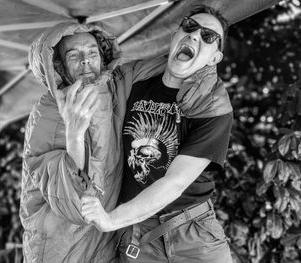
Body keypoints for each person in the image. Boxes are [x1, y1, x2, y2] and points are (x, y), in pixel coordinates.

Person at [81, 5, 234, 263]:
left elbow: (174, 183)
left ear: (214, 59)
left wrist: (111, 220)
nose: (195, 36)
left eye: (208, 37)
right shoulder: (132, 82)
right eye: (189, 26)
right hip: (140, 233)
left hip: (194, 233)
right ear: (174, 36)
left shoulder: (213, 107)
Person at [20, 22, 166, 263]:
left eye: (92, 52)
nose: (86, 60)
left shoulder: (113, 86)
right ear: (58, 65)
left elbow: (167, 67)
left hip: (103, 244)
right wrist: (74, 137)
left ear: (104, 56)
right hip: (60, 249)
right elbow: (75, 206)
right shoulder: (49, 113)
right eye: (74, 55)